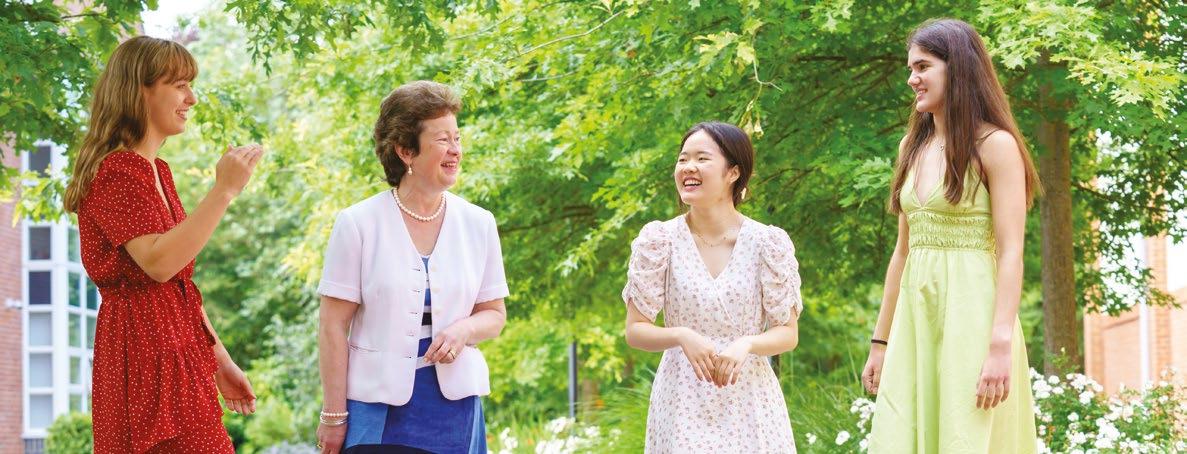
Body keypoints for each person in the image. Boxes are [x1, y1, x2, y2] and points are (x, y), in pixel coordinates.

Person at [63, 36, 262, 453]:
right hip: (145, 356)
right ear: (140, 90)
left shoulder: (157, 170)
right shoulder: (118, 171)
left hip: (175, 348)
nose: (191, 98)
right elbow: (158, 263)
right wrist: (223, 191)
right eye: (179, 85)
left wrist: (220, 362)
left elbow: (179, 286)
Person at [861, 18, 1041, 453]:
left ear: (957, 68)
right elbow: (902, 252)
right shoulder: (910, 147)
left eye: (923, 67)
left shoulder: (996, 145)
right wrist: (880, 342)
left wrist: (999, 345)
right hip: (915, 318)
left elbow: (1012, 252)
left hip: (973, 317)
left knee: (966, 435)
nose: (912, 79)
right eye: (911, 68)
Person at [315, 81, 509, 454]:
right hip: (377, 411)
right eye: (442, 140)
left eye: (457, 138)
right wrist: (334, 415)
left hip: (455, 411)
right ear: (406, 151)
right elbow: (333, 326)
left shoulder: (479, 223)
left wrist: (464, 330)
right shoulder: (358, 223)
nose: (455, 150)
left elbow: (494, 315)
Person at [622, 121, 802, 452]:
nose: (688, 167)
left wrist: (747, 343)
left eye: (702, 158)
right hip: (682, 401)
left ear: (733, 172)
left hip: (751, 401)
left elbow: (788, 334)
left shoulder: (767, 243)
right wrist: (681, 335)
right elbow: (635, 330)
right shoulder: (659, 240)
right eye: (683, 159)